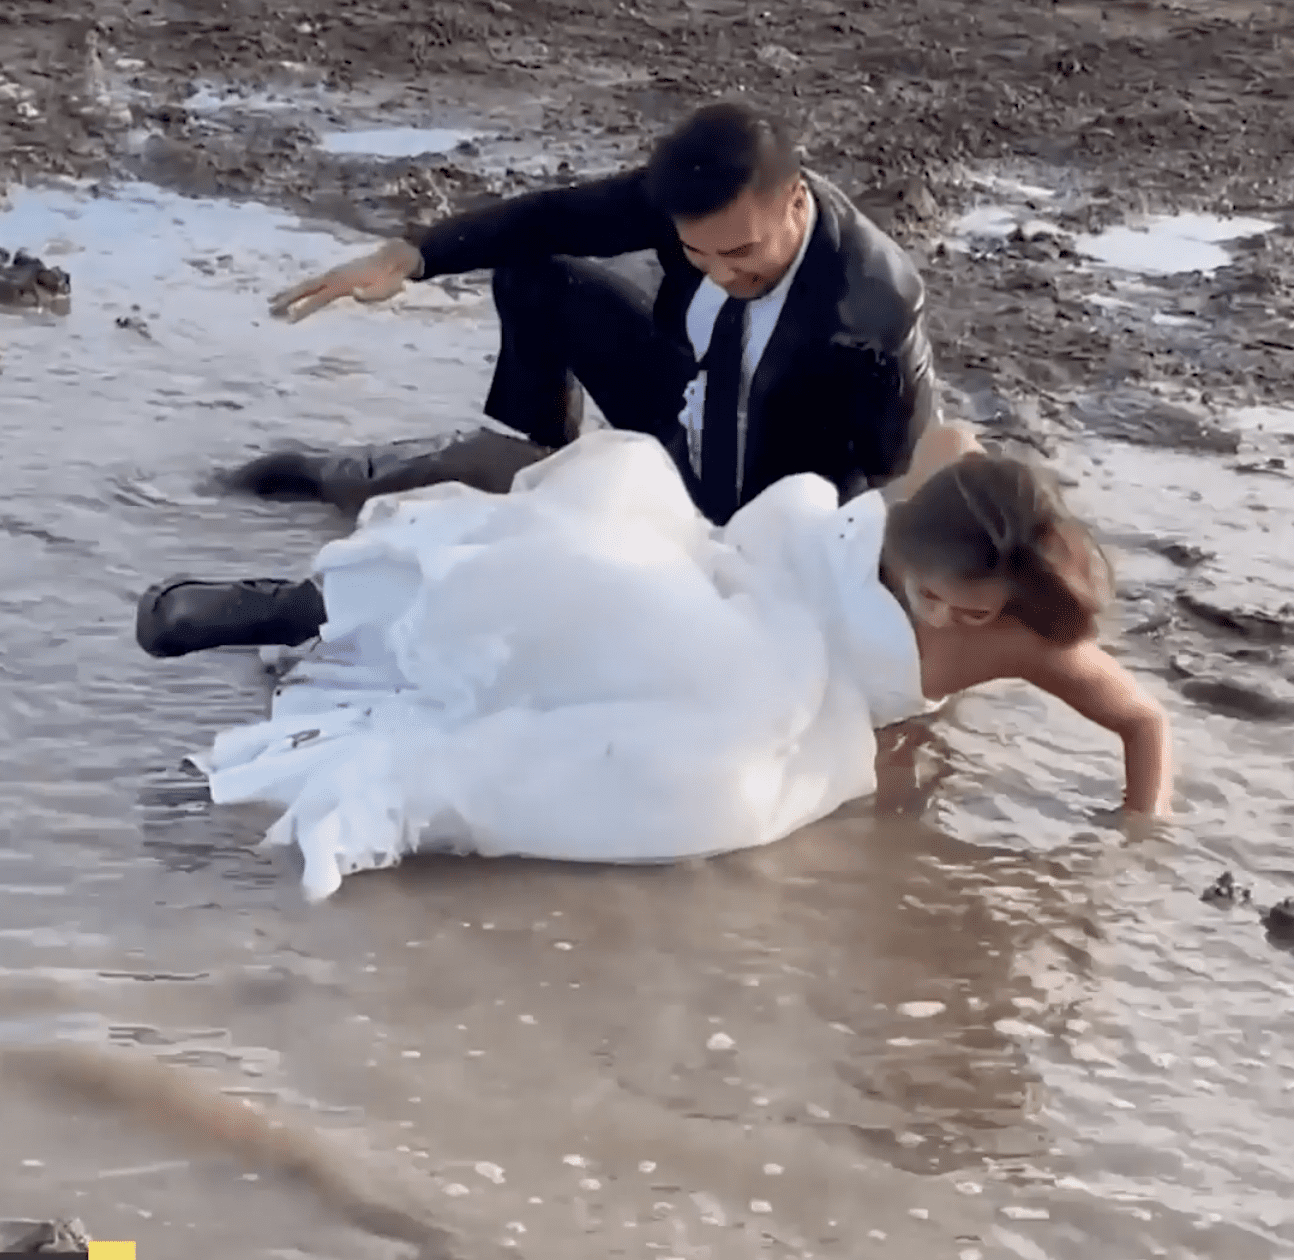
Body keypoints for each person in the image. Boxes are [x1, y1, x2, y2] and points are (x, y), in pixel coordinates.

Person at [171, 421, 1172, 903]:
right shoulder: (943, 489)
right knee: (605, 579)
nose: (952, 616)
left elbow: (1141, 722)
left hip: (778, 678)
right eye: (930, 594)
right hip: (743, 593)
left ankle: (343, 632)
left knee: (631, 676)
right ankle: (306, 608)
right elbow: (951, 435)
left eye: (973, 608)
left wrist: (1134, 840)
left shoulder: (1034, 636)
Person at [144, 100, 937, 656]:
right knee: (537, 272)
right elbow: (558, 217)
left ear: (795, 204)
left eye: (743, 255)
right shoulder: (694, 209)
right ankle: (525, 458)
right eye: (700, 255)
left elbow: (891, 473)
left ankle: (303, 606)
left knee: (516, 572)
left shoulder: (869, 305)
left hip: (756, 505)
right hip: (681, 409)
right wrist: (415, 254)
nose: (723, 273)